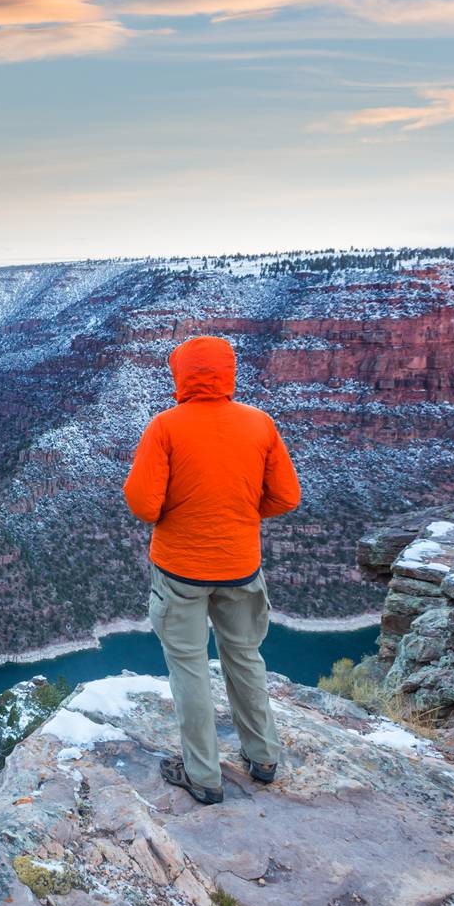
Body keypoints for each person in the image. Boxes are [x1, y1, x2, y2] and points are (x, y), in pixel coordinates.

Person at [122, 335, 301, 805]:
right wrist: (240, 514)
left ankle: (203, 776)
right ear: (228, 373)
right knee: (245, 657)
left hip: (179, 570)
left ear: (181, 374)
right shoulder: (259, 423)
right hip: (241, 567)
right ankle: (264, 757)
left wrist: (183, 514)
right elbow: (286, 496)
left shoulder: (166, 426)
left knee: (189, 668)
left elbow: (143, 505)